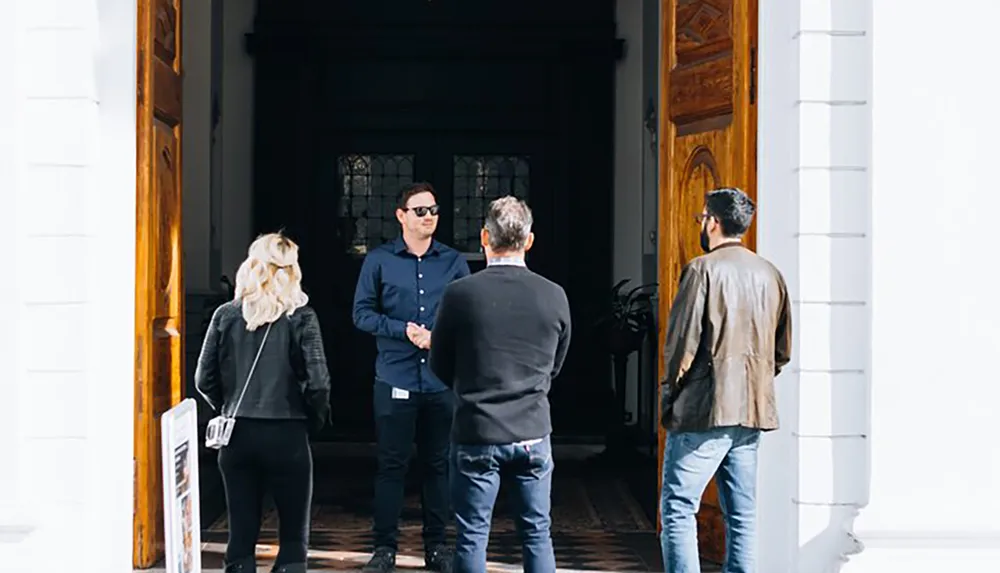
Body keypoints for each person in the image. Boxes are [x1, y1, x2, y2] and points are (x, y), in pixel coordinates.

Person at [430, 196, 571, 573]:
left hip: (477, 427)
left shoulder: (460, 294)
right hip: (532, 428)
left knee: (472, 535)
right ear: (529, 240)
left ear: (483, 238)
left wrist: (470, 387)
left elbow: (439, 363)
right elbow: (555, 366)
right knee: (537, 533)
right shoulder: (553, 295)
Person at [658, 188, 793, 573]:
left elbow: (681, 345)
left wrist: (670, 398)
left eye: (702, 218)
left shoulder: (703, 269)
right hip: (751, 409)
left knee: (679, 508)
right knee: (743, 515)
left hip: (705, 408)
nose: (701, 224)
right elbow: (782, 348)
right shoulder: (770, 272)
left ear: (713, 222)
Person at [195, 233, 332, 573]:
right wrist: (313, 419)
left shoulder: (225, 315)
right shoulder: (302, 317)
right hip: (287, 431)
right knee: (292, 538)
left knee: (240, 532)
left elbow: (202, 378)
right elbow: (319, 383)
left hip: (238, 433)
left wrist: (225, 407)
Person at [353, 182, 471, 572]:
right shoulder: (379, 260)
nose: (430, 216)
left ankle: (437, 547)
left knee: (439, 465)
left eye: (434, 210)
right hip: (395, 377)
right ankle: (384, 548)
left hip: (440, 381)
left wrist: (440, 336)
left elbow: (467, 314)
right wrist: (403, 330)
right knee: (391, 465)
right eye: (420, 210)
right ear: (401, 215)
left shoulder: (453, 261)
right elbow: (362, 314)